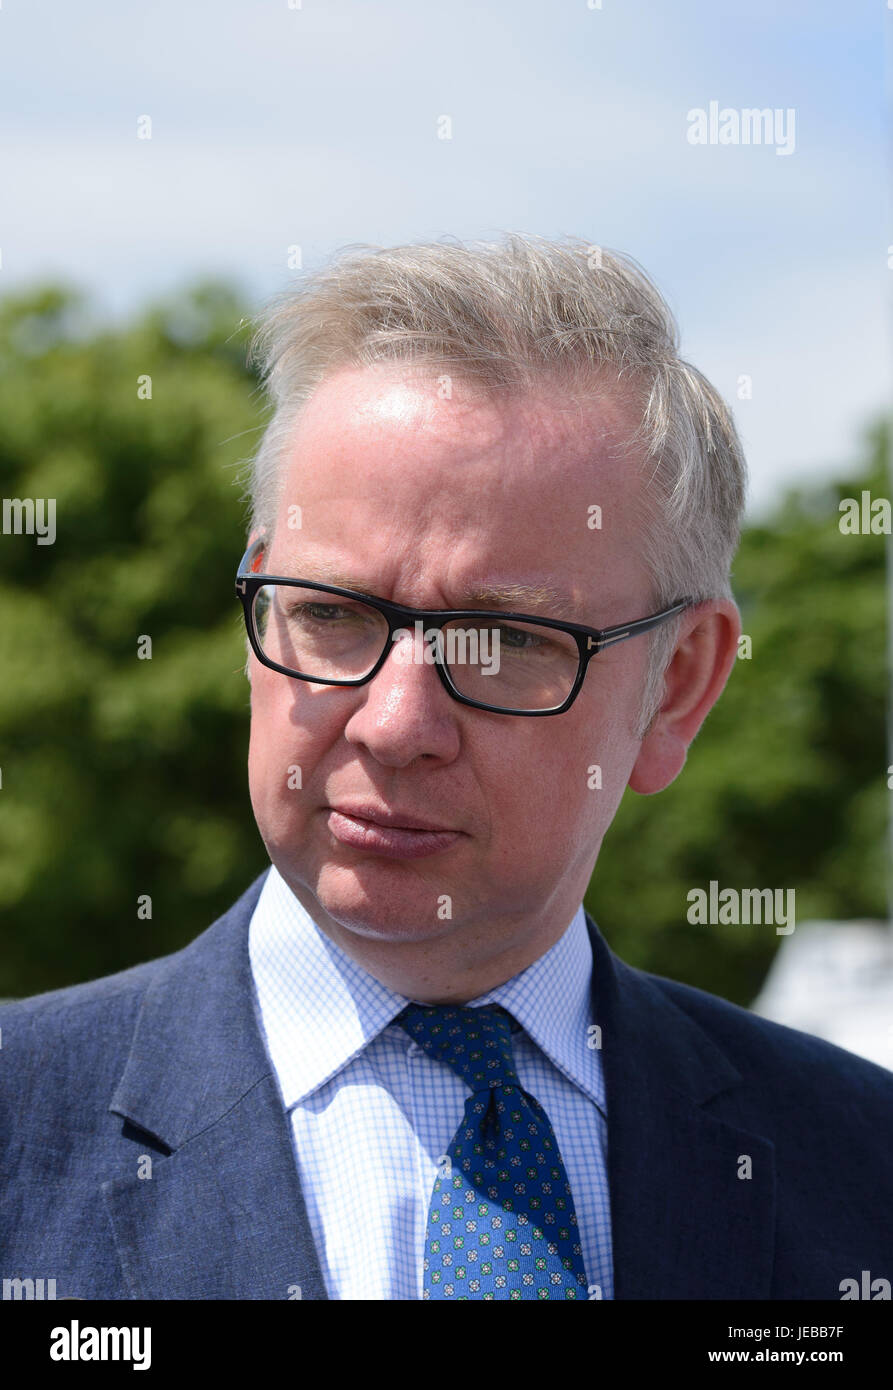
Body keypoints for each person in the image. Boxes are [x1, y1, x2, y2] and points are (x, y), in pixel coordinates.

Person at [1, 235, 891, 1302]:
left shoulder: (858, 1170)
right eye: (330, 615)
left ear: (678, 683)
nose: (393, 723)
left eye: (506, 640)